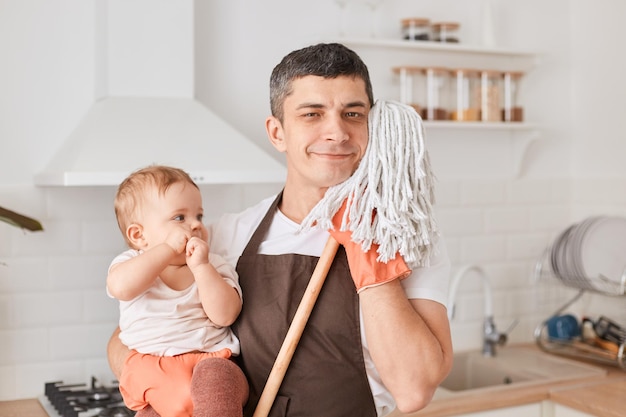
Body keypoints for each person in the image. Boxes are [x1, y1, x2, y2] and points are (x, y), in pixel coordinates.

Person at [108, 43, 453, 417]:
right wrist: (158, 379)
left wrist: (368, 249)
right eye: (312, 114)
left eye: (353, 113)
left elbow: (414, 390)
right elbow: (131, 330)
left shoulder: (405, 241)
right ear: (277, 133)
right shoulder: (226, 236)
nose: (336, 132)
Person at [106, 165, 248, 417]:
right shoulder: (130, 263)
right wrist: (166, 250)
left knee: (215, 380)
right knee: (150, 411)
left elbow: (225, 315)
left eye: (199, 216)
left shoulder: (213, 263)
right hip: (153, 370)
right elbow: (120, 287)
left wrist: (202, 268)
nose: (195, 225)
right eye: (180, 218)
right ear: (139, 235)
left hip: (211, 360)